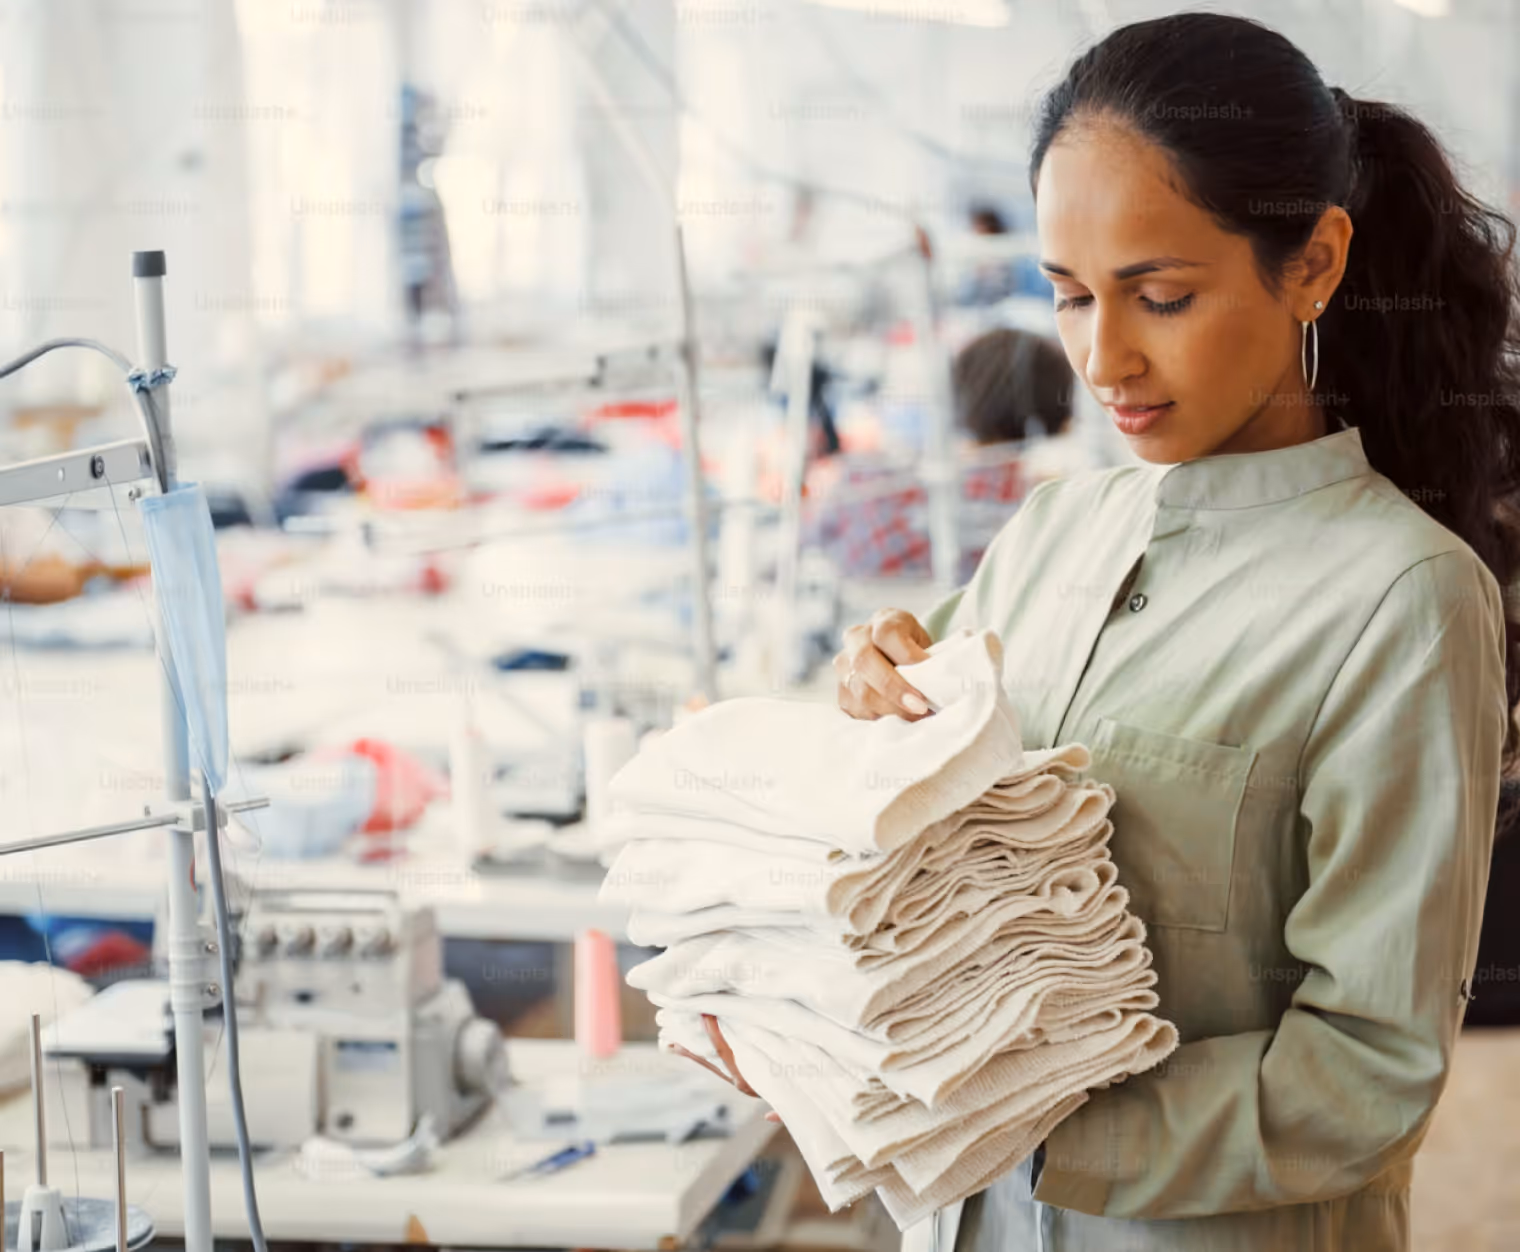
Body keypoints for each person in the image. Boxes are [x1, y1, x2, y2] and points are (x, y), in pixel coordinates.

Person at [679, 13, 1520, 1251]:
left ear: (1314, 262)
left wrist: (1004, 1126)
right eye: (1067, 297)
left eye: (1161, 296)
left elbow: (1365, 1075)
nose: (1103, 357)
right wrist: (869, 681)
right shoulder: (1050, 533)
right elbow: (902, 797)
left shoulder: (1399, 601)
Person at [805, 326, 1078, 582]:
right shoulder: (1048, 514)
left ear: (955, 390)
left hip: (870, 626)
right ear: (1059, 416)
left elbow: (800, 554)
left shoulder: (866, 483)